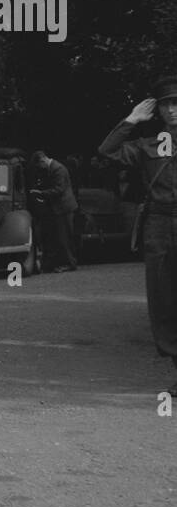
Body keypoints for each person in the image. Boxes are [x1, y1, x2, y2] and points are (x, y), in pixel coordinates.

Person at [97, 78, 177, 391]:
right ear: (157, 110)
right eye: (166, 104)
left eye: (176, 103)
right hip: (159, 224)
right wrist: (131, 120)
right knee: (164, 299)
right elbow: (106, 151)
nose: (172, 110)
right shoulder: (147, 145)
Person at [27, 150, 78, 272]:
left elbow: (59, 189)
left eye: (39, 165)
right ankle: (62, 262)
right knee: (59, 237)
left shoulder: (58, 169)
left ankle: (69, 263)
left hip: (63, 208)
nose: (40, 168)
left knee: (63, 238)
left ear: (42, 160)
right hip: (60, 208)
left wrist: (41, 193)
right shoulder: (55, 168)